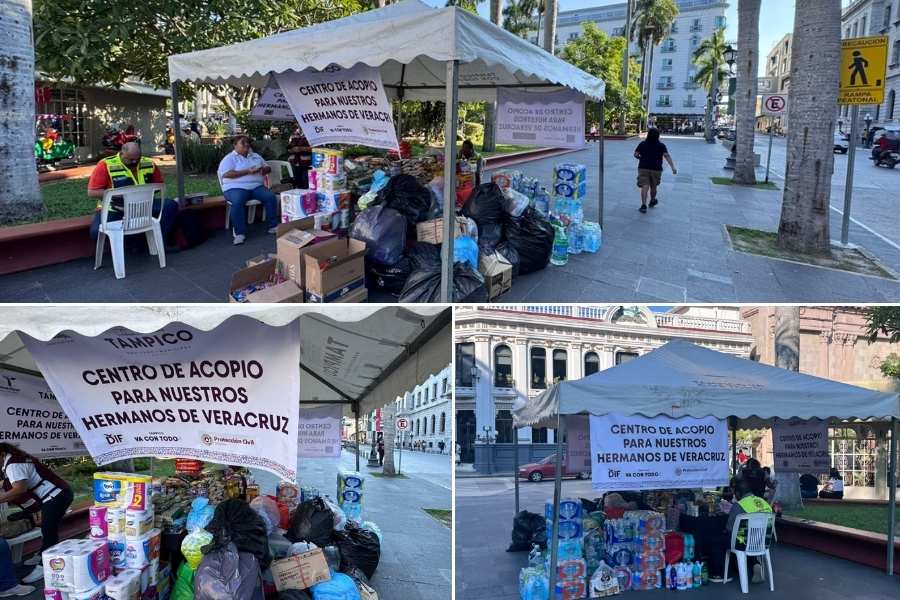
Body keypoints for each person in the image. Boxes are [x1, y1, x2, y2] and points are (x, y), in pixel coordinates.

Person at [0, 444, 73, 585]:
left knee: (49, 531)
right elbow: (11, 480)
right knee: (48, 529)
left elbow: (19, 489)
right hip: (60, 493)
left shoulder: (13, 465)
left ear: (1, 454)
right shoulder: (16, 459)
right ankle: (42, 554)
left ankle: (45, 566)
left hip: (56, 496)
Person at [87, 141, 178, 243]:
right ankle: (133, 244)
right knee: (96, 232)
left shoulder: (149, 163)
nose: (134, 162)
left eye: (137, 159)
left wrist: (145, 193)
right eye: (130, 159)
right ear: (122, 153)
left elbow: (160, 185)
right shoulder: (105, 165)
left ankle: (157, 241)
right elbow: (92, 192)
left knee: (170, 205)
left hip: (143, 205)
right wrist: (120, 196)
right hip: (115, 208)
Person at [217, 135, 280, 245]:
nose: (246, 144)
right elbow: (226, 174)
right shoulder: (229, 158)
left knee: (270, 196)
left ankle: (273, 226)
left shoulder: (255, 156)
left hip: (256, 187)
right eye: (243, 142)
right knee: (238, 201)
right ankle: (239, 233)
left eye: (247, 142)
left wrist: (263, 169)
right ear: (235, 145)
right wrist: (248, 171)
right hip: (235, 187)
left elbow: (268, 167)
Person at [709, 478, 773, 584]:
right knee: (746, 540)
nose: (735, 496)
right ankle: (755, 564)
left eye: (735, 493)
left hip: (744, 542)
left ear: (738, 493)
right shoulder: (764, 502)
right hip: (762, 541)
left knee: (716, 542)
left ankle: (721, 573)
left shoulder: (739, 505)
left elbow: (729, 528)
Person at [633, 127, 676, 213]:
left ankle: (643, 205)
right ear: (658, 136)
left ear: (648, 135)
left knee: (645, 186)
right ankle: (652, 200)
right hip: (656, 169)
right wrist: (673, 167)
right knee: (654, 186)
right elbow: (667, 156)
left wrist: (640, 158)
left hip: (643, 167)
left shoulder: (642, 144)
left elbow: (636, 154)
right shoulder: (661, 145)